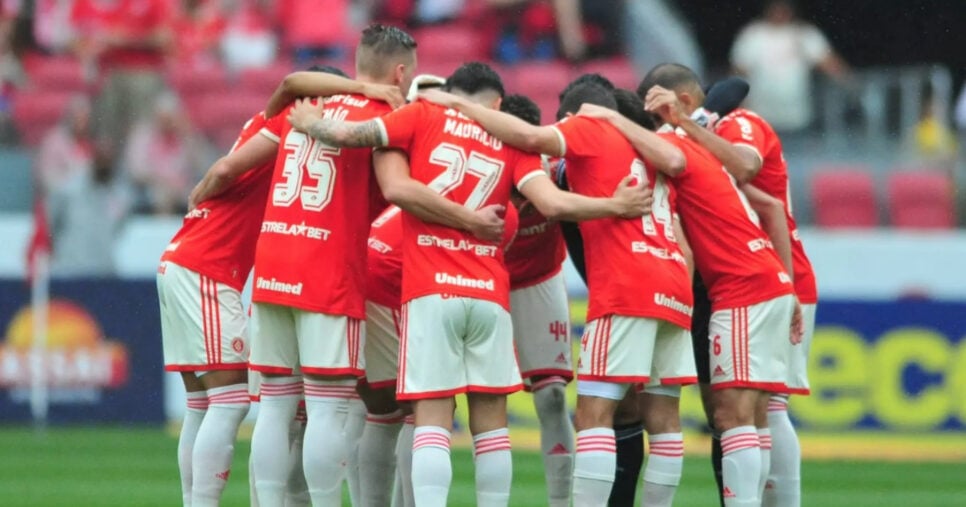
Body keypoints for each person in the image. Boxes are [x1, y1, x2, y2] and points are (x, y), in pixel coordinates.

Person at [288, 61, 653, 507]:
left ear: (449, 91)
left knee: (432, 419)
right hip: (489, 296)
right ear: (497, 103)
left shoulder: (422, 116)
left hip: (430, 291)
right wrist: (615, 203)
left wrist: (310, 123)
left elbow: (351, 137)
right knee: (492, 427)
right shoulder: (511, 144)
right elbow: (553, 204)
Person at [417, 78, 692, 507]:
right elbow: (677, 168)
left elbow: (530, 141)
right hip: (673, 284)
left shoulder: (585, 133)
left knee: (593, 413)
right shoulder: (650, 148)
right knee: (663, 417)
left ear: (570, 116)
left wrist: (453, 103)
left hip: (622, 287)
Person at [181, 61, 406, 507]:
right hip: (327, 271)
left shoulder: (295, 109)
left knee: (277, 407)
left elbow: (283, 92)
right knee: (327, 408)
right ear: (399, 73)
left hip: (273, 265)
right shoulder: (378, 116)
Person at [580, 66, 802, 507]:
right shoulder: (710, 150)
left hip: (742, 287)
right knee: (757, 415)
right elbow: (771, 205)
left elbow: (676, 161)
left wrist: (611, 120)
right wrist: (789, 285)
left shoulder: (677, 146)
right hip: (768, 279)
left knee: (731, 415)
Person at [642, 62, 818, 507]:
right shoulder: (706, 140)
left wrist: (686, 125)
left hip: (764, 276)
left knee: (753, 409)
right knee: (759, 408)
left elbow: (745, 165)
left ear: (681, 103)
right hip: (773, 277)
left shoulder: (738, 125)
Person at [730, 0, 848, 136]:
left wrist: (852, 84)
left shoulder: (805, 34)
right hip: (762, 115)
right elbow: (738, 71)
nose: (779, 12)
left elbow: (830, 64)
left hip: (797, 116)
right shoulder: (752, 35)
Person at [48, 138, 129, 277]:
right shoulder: (70, 190)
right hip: (70, 270)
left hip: (103, 271)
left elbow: (119, 227)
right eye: (101, 159)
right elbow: (53, 222)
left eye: (108, 161)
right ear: (93, 160)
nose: (105, 165)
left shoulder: (121, 195)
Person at [123, 91, 212, 214]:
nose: (166, 123)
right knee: (162, 195)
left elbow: (202, 166)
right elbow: (137, 170)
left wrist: (189, 136)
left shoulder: (186, 137)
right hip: (151, 189)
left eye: (169, 118)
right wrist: (163, 181)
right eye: (162, 118)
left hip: (183, 191)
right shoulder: (143, 136)